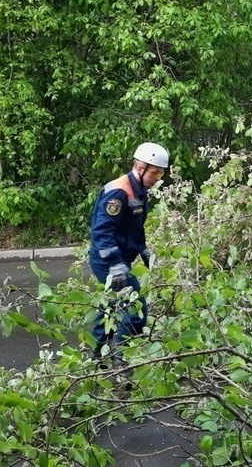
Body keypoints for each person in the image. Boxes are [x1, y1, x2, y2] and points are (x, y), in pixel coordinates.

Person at [88, 142, 169, 367]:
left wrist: (144, 250)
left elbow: (134, 227)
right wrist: (115, 265)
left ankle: (95, 354)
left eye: (161, 173)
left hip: (122, 257)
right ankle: (124, 358)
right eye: (155, 172)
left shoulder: (140, 190)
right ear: (140, 167)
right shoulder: (119, 191)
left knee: (111, 305)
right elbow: (102, 232)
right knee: (136, 307)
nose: (158, 178)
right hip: (107, 260)